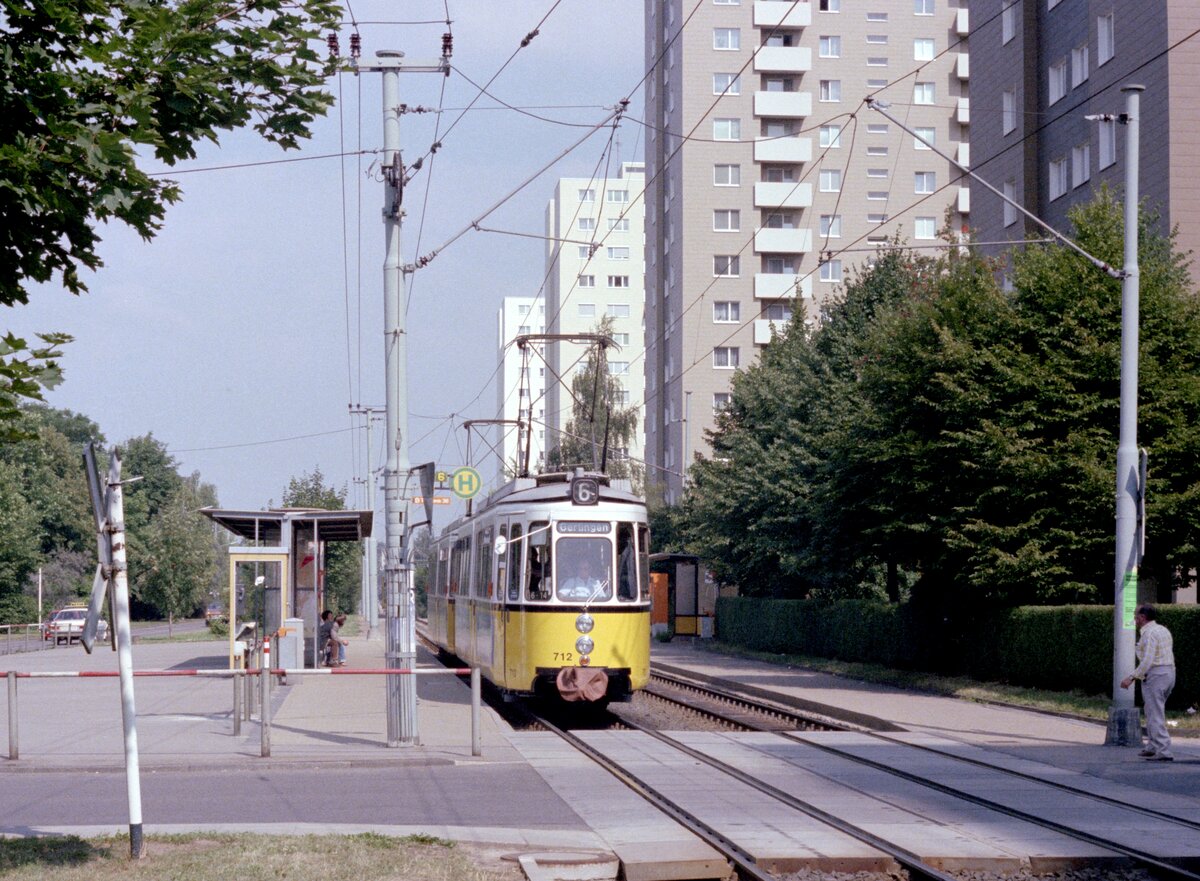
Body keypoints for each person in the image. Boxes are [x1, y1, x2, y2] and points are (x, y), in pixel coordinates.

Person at [1120, 603, 1176, 761]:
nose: (1134, 619)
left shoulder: (1149, 634)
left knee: (1155, 713)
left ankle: (1163, 750)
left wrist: (1131, 677)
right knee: (1153, 710)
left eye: (1136, 616)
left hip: (1156, 675)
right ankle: (1152, 746)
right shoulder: (1163, 630)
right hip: (1169, 673)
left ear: (1142, 618)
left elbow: (1147, 661)